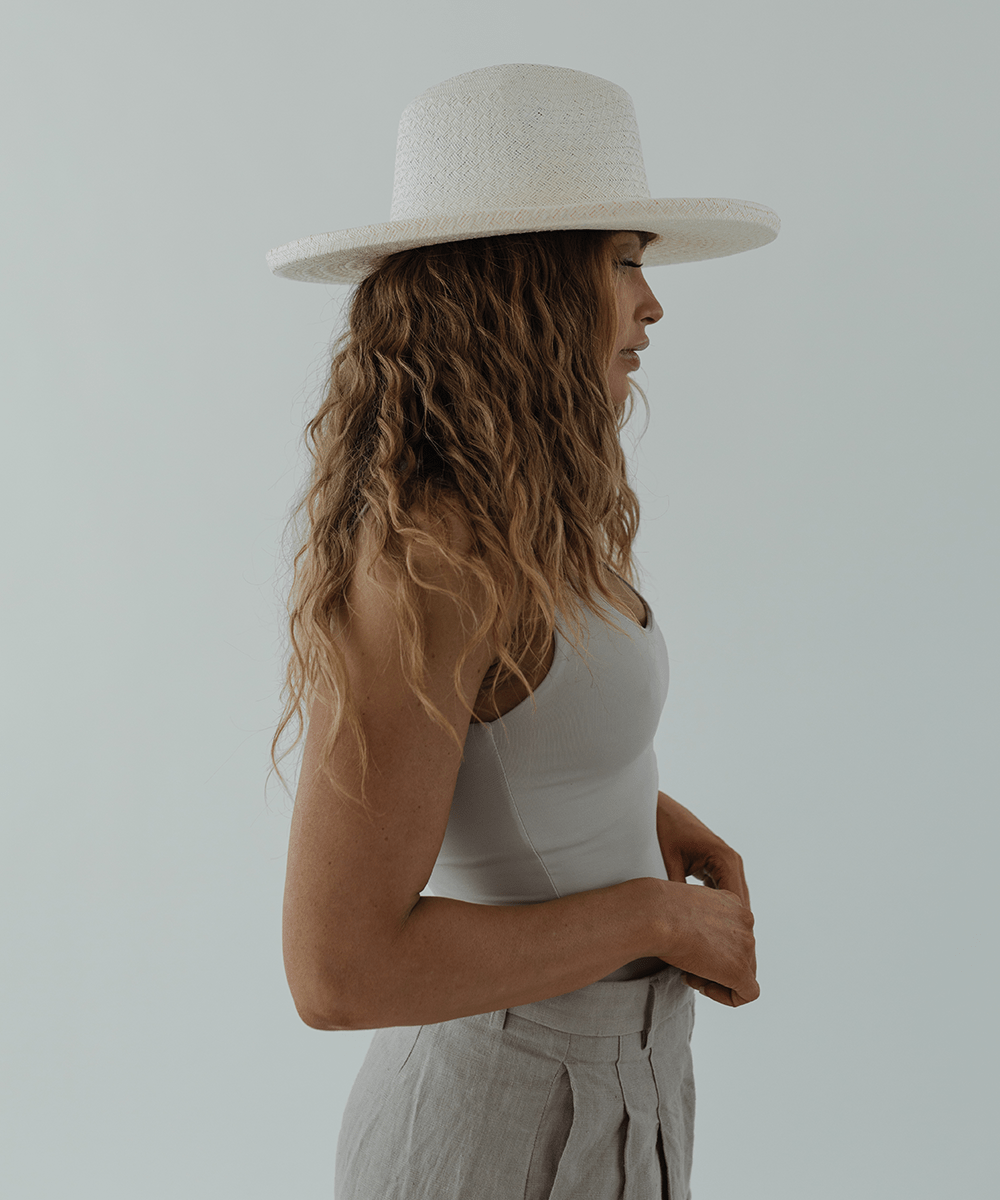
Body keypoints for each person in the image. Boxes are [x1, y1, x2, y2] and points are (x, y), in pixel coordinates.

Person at [267, 63, 779, 1200]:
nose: (652, 304)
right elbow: (336, 971)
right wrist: (656, 914)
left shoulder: (528, 512)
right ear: (528, 285)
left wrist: (643, 819)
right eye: (624, 260)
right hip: (496, 1120)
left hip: (627, 1079)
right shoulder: (429, 561)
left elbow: (515, 738)